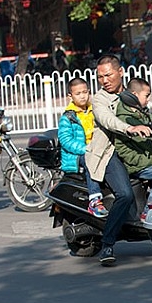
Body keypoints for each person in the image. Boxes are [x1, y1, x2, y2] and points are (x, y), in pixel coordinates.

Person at [86, 54, 152, 266]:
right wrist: (129, 128)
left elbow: (145, 114)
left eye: (108, 75)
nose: (104, 80)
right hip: (109, 152)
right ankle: (107, 244)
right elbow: (108, 120)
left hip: (134, 148)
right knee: (124, 194)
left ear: (120, 72)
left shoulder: (131, 92)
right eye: (100, 77)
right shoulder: (99, 99)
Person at [57, 77, 108, 218]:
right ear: (70, 96)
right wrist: (86, 149)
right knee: (91, 161)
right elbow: (66, 140)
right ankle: (94, 200)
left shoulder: (94, 110)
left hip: (97, 149)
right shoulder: (68, 117)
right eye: (78, 93)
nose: (82, 96)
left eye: (85, 92)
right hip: (77, 154)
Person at [114, 77, 152, 202]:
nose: (148, 99)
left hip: (148, 159)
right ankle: (150, 210)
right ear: (134, 95)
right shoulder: (124, 118)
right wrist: (138, 160)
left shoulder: (143, 112)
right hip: (137, 165)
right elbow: (121, 146)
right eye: (146, 96)